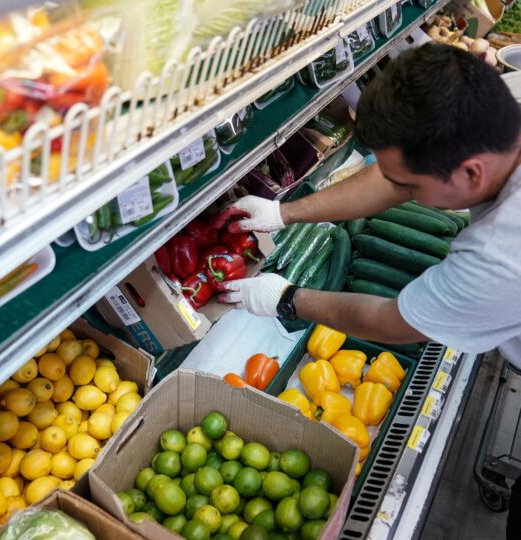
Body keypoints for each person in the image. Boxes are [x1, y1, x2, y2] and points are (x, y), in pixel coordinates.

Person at [214, 43, 521, 537]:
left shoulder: (502, 255)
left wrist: (286, 299)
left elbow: (394, 322)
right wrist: (283, 212)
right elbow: (392, 178)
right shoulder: (496, 113)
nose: (403, 193)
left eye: (412, 187)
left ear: (470, 173)